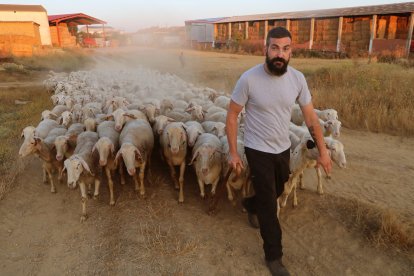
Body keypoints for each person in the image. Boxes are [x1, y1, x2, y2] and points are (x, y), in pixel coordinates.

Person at [226, 27, 332, 276]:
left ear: (291, 52)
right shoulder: (249, 79)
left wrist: (324, 151)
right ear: (265, 49)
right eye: (274, 47)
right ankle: (274, 256)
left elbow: (311, 119)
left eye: (285, 49)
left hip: (283, 148)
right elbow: (232, 115)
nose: (279, 54)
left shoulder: (297, 79)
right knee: (269, 204)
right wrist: (233, 152)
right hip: (256, 148)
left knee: (279, 187)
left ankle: (250, 204)